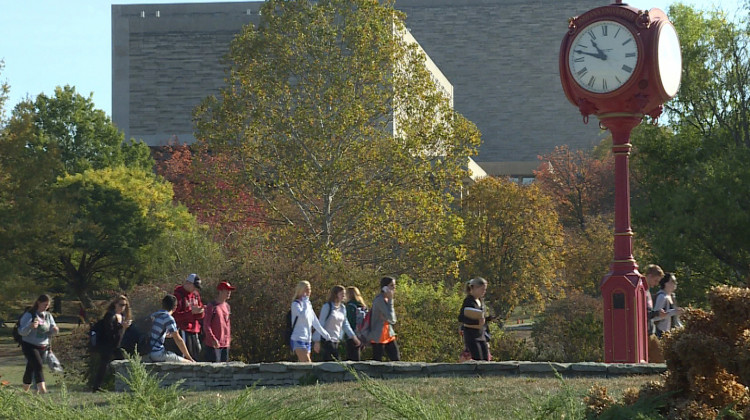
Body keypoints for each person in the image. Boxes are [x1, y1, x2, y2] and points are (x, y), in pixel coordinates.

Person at [17, 294, 59, 394]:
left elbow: (53, 329)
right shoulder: (29, 314)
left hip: (43, 346)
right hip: (29, 345)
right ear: (39, 302)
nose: (46, 307)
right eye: (45, 304)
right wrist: (30, 326)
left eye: (48, 305)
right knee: (38, 365)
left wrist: (55, 330)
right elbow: (21, 331)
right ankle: (43, 390)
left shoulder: (48, 315)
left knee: (30, 368)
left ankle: (24, 390)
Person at [92, 295, 133, 391]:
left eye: (125, 305)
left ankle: (124, 385)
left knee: (122, 363)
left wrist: (124, 326)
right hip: (106, 344)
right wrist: (121, 326)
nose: (122, 307)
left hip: (116, 344)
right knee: (104, 365)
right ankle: (97, 387)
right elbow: (109, 331)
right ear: (115, 304)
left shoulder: (122, 316)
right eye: (121, 305)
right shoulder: (110, 315)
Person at [313, 285, 361, 361]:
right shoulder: (327, 307)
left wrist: (354, 337)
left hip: (336, 340)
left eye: (344, 294)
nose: (344, 296)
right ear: (336, 294)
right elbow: (320, 323)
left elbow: (345, 324)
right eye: (341, 293)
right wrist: (317, 341)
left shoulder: (342, 308)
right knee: (335, 362)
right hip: (327, 340)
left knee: (331, 363)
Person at [290, 281, 332, 362]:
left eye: (309, 289)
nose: (308, 292)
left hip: (307, 339)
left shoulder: (308, 304)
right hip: (298, 338)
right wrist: (305, 302)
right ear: (301, 290)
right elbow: (303, 316)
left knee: (303, 366)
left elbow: (314, 321)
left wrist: (325, 334)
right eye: (306, 289)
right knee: (307, 363)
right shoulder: (296, 304)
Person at [149, 294, 195, 363]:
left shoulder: (154, 315)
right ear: (175, 308)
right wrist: (189, 358)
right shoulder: (168, 318)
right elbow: (178, 340)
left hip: (147, 351)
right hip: (157, 353)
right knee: (188, 362)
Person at [457, 277, 494, 361]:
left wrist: (487, 319)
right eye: (482, 289)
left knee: (486, 360)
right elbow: (461, 318)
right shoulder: (468, 301)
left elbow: (481, 318)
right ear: (475, 288)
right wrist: (477, 322)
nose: (484, 292)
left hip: (481, 335)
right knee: (478, 360)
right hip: (471, 335)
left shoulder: (481, 301)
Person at [173, 273, 204, 361]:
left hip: (195, 329)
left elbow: (200, 313)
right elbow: (175, 316)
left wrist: (200, 312)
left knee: (197, 355)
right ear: (188, 283)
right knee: (186, 357)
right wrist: (191, 313)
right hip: (184, 330)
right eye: (194, 286)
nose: (195, 289)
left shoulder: (196, 295)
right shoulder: (178, 296)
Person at [368, 276, 400, 362]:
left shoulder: (386, 299)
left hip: (388, 334)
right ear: (385, 287)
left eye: (394, 285)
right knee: (377, 362)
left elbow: (392, 320)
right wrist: (390, 300)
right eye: (391, 285)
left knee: (396, 360)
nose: (394, 288)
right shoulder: (379, 300)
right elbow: (391, 318)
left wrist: (387, 317)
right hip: (378, 336)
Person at [203, 281, 235, 362]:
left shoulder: (227, 306)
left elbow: (227, 324)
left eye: (230, 290)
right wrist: (212, 338)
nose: (229, 292)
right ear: (220, 291)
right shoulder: (212, 306)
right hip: (214, 345)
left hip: (225, 344)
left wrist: (228, 339)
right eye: (226, 290)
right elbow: (206, 325)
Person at [653, 272, 684, 338]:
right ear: (665, 283)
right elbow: (655, 317)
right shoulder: (661, 297)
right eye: (672, 281)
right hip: (661, 334)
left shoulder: (672, 296)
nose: (675, 283)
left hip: (670, 334)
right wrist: (673, 312)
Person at [345, 286, 367, 361]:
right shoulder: (363, 306)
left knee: (351, 357)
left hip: (353, 335)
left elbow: (349, 321)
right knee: (357, 356)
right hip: (362, 334)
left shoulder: (350, 306)